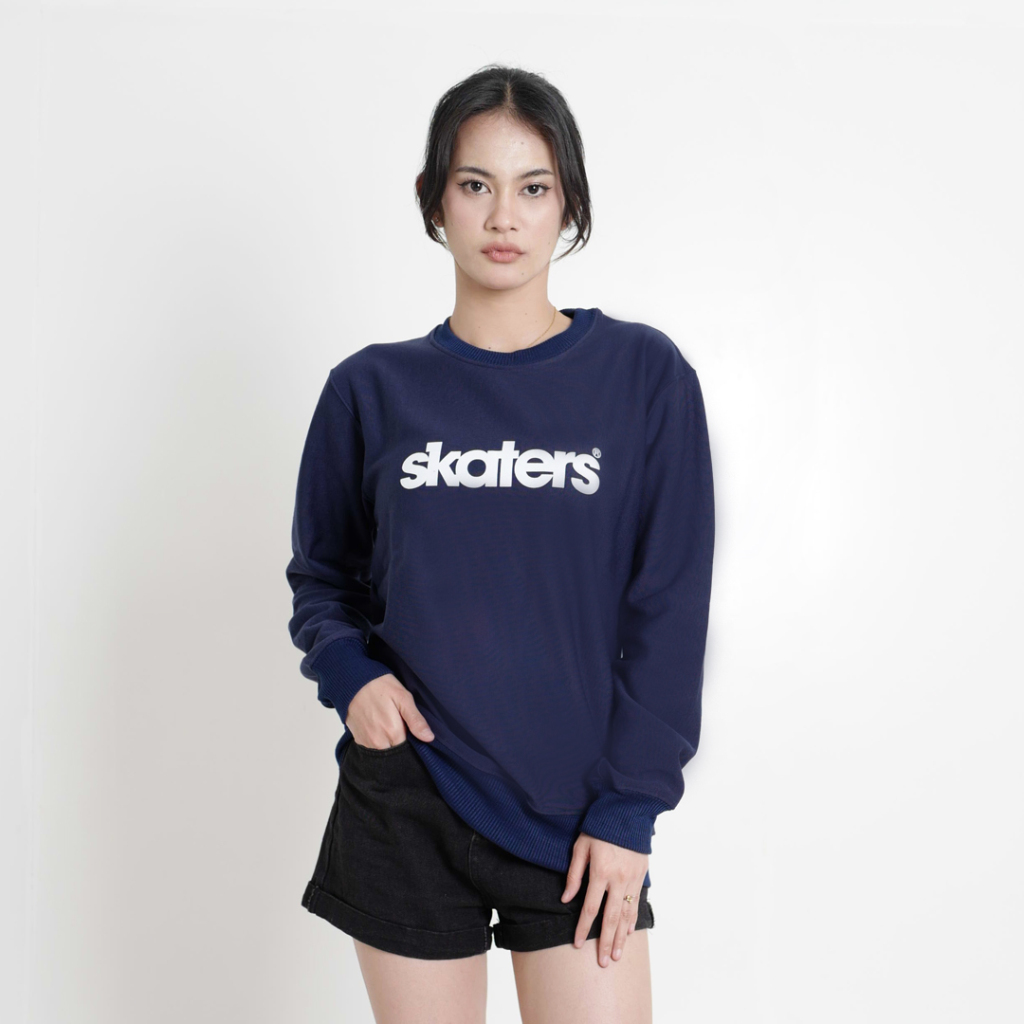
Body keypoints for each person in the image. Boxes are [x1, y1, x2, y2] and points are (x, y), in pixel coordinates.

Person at [286, 64, 716, 1024]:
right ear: (436, 198)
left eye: (534, 187)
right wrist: (352, 676)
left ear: (569, 203)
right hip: (407, 795)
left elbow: (669, 608)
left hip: (579, 811)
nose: (503, 217)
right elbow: (322, 577)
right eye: (475, 184)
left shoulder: (643, 376)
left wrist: (630, 810)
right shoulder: (370, 390)